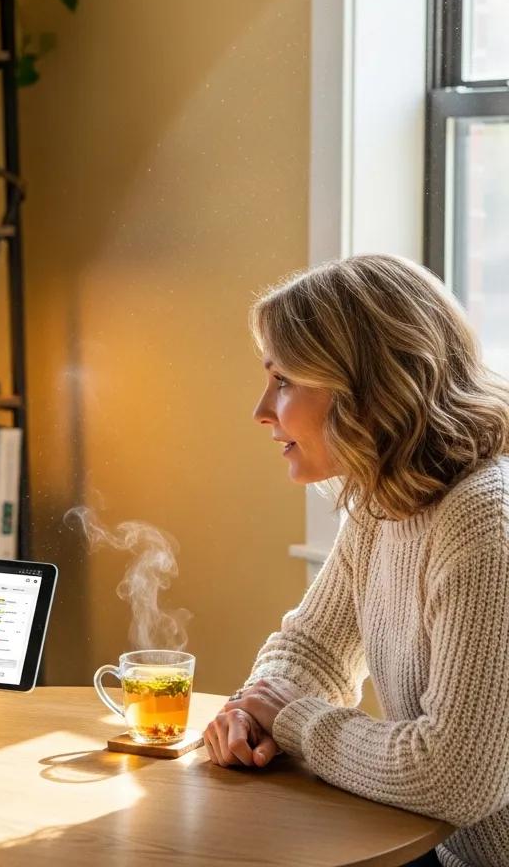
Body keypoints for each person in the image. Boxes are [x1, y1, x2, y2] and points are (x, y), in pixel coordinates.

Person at [202, 254, 509, 867]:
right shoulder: (384, 498)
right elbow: (313, 648)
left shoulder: (484, 522)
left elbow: (456, 775)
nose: (261, 410)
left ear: (366, 388)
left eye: (284, 380)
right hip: (447, 851)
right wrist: (257, 706)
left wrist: (288, 720)